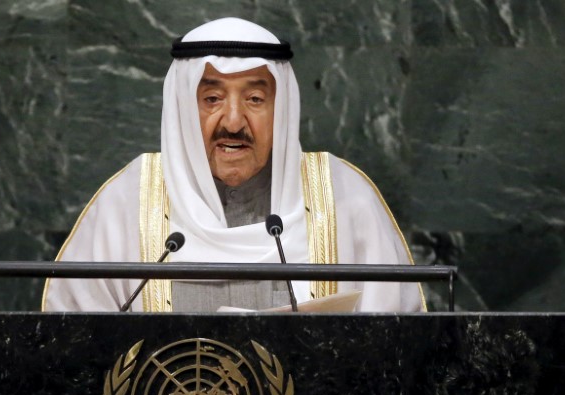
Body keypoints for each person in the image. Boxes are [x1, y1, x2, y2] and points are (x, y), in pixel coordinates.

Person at [42, 17, 425, 313]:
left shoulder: (343, 199)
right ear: (183, 109)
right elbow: (74, 348)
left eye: (256, 99)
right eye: (211, 98)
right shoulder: (127, 202)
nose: (233, 122)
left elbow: (393, 352)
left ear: (283, 109)